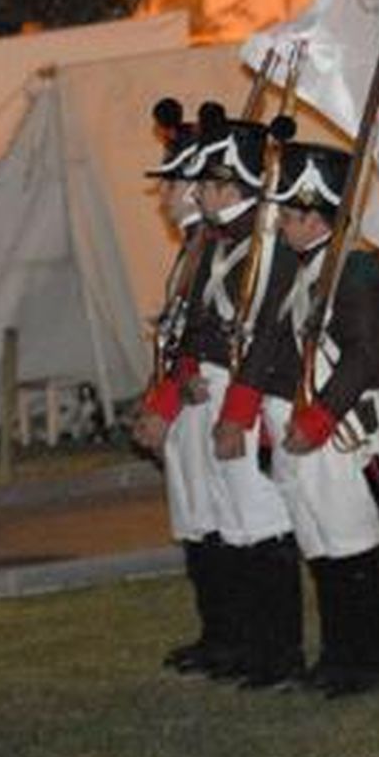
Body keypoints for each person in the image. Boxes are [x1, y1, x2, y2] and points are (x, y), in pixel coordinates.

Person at [217, 138, 379, 698]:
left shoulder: (359, 268)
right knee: (321, 544)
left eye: (293, 213)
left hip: (342, 429)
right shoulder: (309, 269)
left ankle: (365, 662)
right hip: (310, 427)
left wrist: (320, 417)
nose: (284, 223)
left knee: (352, 544)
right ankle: (337, 656)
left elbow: (366, 353)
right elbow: (276, 343)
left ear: (318, 213)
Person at [136, 103, 302, 688]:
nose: (193, 192)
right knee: (224, 524)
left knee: (259, 524)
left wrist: (236, 412)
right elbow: (193, 327)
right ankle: (236, 641)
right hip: (207, 390)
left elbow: (268, 337)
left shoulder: (268, 245)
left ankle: (277, 653)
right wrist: (169, 394)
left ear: (229, 184)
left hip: (245, 395)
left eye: (205, 180)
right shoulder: (214, 242)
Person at [135, 98, 227, 676]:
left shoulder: (212, 248)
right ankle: (217, 633)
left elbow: (201, 335)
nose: (163, 195)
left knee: (217, 519)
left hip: (206, 400)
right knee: (196, 518)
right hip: (188, 400)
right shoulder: (194, 249)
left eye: (171, 183)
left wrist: (165, 402)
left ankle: (234, 636)